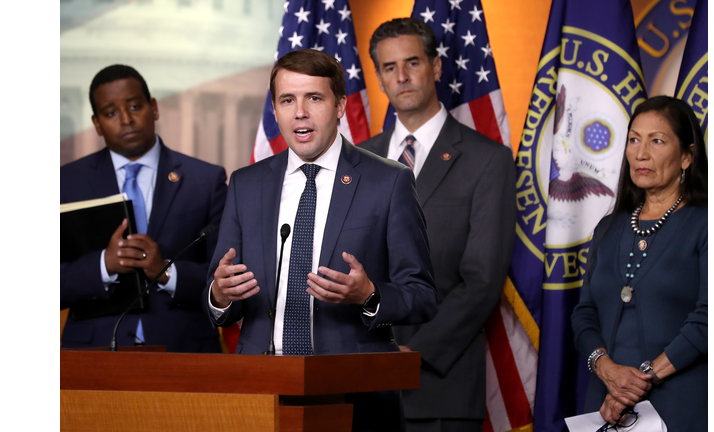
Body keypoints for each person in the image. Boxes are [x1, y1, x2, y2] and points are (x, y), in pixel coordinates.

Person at [205, 48, 438, 432]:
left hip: (354, 392)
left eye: (314, 98)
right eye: (287, 100)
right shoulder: (246, 184)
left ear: (340, 105)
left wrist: (368, 295)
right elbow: (218, 294)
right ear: (276, 111)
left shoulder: (388, 182)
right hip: (261, 391)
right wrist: (220, 294)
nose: (300, 112)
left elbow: (422, 294)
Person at [359, 18, 517, 432]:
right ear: (378, 77)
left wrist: (414, 350)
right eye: (390, 67)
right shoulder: (355, 161)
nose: (403, 76)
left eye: (412, 62)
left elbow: (482, 279)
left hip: (439, 383)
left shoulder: (488, 160)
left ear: (436, 67)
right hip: (359, 381)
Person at [60, 64, 227, 352]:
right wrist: (103, 264)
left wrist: (166, 272)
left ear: (153, 108)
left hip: (184, 350)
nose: (125, 119)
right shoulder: (65, 182)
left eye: (135, 106)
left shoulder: (205, 180)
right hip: (92, 354)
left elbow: (224, 275)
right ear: (96, 123)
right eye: (111, 113)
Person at [571, 96, 708, 430]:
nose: (641, 153)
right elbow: (584, 313)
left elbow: (710, 319)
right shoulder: (609, 227)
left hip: (682, 406)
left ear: (687, 156)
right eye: (634, 139)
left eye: (657, 141)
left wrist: (638, 382)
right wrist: (606, 369)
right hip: (606, 407)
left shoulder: (708, 223)